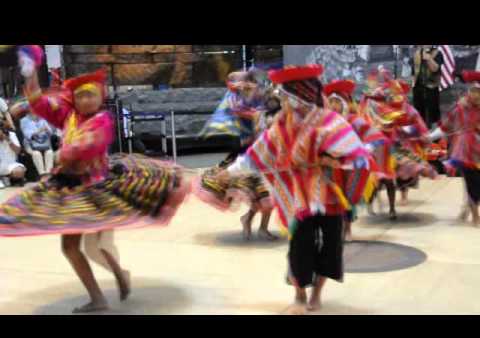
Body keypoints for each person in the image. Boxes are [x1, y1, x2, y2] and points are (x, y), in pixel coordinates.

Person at [0, 45, 189, 313]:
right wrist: (30, 72)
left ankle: (117, 278)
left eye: (91, 95)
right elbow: (38, 102)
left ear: (100, 98)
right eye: (80, 96)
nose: (86, 100)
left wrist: (64, 153)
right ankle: (104, 292)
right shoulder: (70, 116)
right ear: (74, 100)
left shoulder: (102, 120)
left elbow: (88, 146)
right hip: (69, 190)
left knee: (97, 246)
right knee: (72, 247)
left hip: (97, 190)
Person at [219, 65, 372, 314]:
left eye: (287, 97)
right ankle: (299, 295)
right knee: (299, 247)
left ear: (301, 97)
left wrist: (335, 161)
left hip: (330, 194)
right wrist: (230, 171)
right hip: (299, 197)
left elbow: (358, 157)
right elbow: (258, 154)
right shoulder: (281, 127)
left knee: (332, 247)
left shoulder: (331, 122)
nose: (283, 102)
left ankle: (317, 294)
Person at [195, 70, 278, 241]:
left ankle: (255, 223)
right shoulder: (243, 106)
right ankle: (252, 222)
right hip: (252, 156)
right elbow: (251, 128)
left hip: (269, 158)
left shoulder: (269, 110)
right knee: (262, 196)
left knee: (266, 197)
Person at [359, 76, 438, 219]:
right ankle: (372, 201)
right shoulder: (378, 110)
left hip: (401, 145)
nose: (396, 96)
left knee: (400, 172)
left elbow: (418, 126)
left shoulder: (409, 109)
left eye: (399, 93)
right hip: (379, 147)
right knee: (375, 177)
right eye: (393, 93)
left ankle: (395, 204)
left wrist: (417, 134)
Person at [324, 79, 388, 240]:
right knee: (332, 198)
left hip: (351, 165)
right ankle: (334, 231)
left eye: (336, 102)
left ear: (344, 104)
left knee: (348, 198)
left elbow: (374, 135)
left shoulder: (353, 120)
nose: (333, 106)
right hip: (331, 166)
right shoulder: (324, 122)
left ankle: (347, 229)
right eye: (330, 102)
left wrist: (366, 149)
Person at [428, 70, 480, 226]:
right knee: (471, 183)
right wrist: (428, 138)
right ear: (469, 92)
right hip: (465, 153)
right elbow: (445, 127)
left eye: (478, 92)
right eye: (474, 91)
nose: (476, 95)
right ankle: (475, 216)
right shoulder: (460, 109)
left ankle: (467, 207)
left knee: (475, 184)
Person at [412, 45, 444, 129]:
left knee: (433, 112)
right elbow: (414, 71)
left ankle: (434, 135)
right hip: (418, 88)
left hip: (432, 88)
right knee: (418, 110)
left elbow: (435, 69)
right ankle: (421, 130)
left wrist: (429, 58)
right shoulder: (417, 54)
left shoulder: (438, 53)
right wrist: (413, 85)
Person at [20, 112, 55, 178]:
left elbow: (51, 134)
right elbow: (27, 135)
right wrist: (39, 131)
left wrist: (48, 130)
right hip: (30, 145)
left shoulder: (43, 119)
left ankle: (49, 174)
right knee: (36, 154)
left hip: (44, 144)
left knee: (49, 152)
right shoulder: (24, 120)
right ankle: (42, 175)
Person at [0, 123, 26, 188]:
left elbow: (18, 151)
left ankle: (5, 177)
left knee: (20, 172)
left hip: (10, 164)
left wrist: (9, 141)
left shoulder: (11, 135)